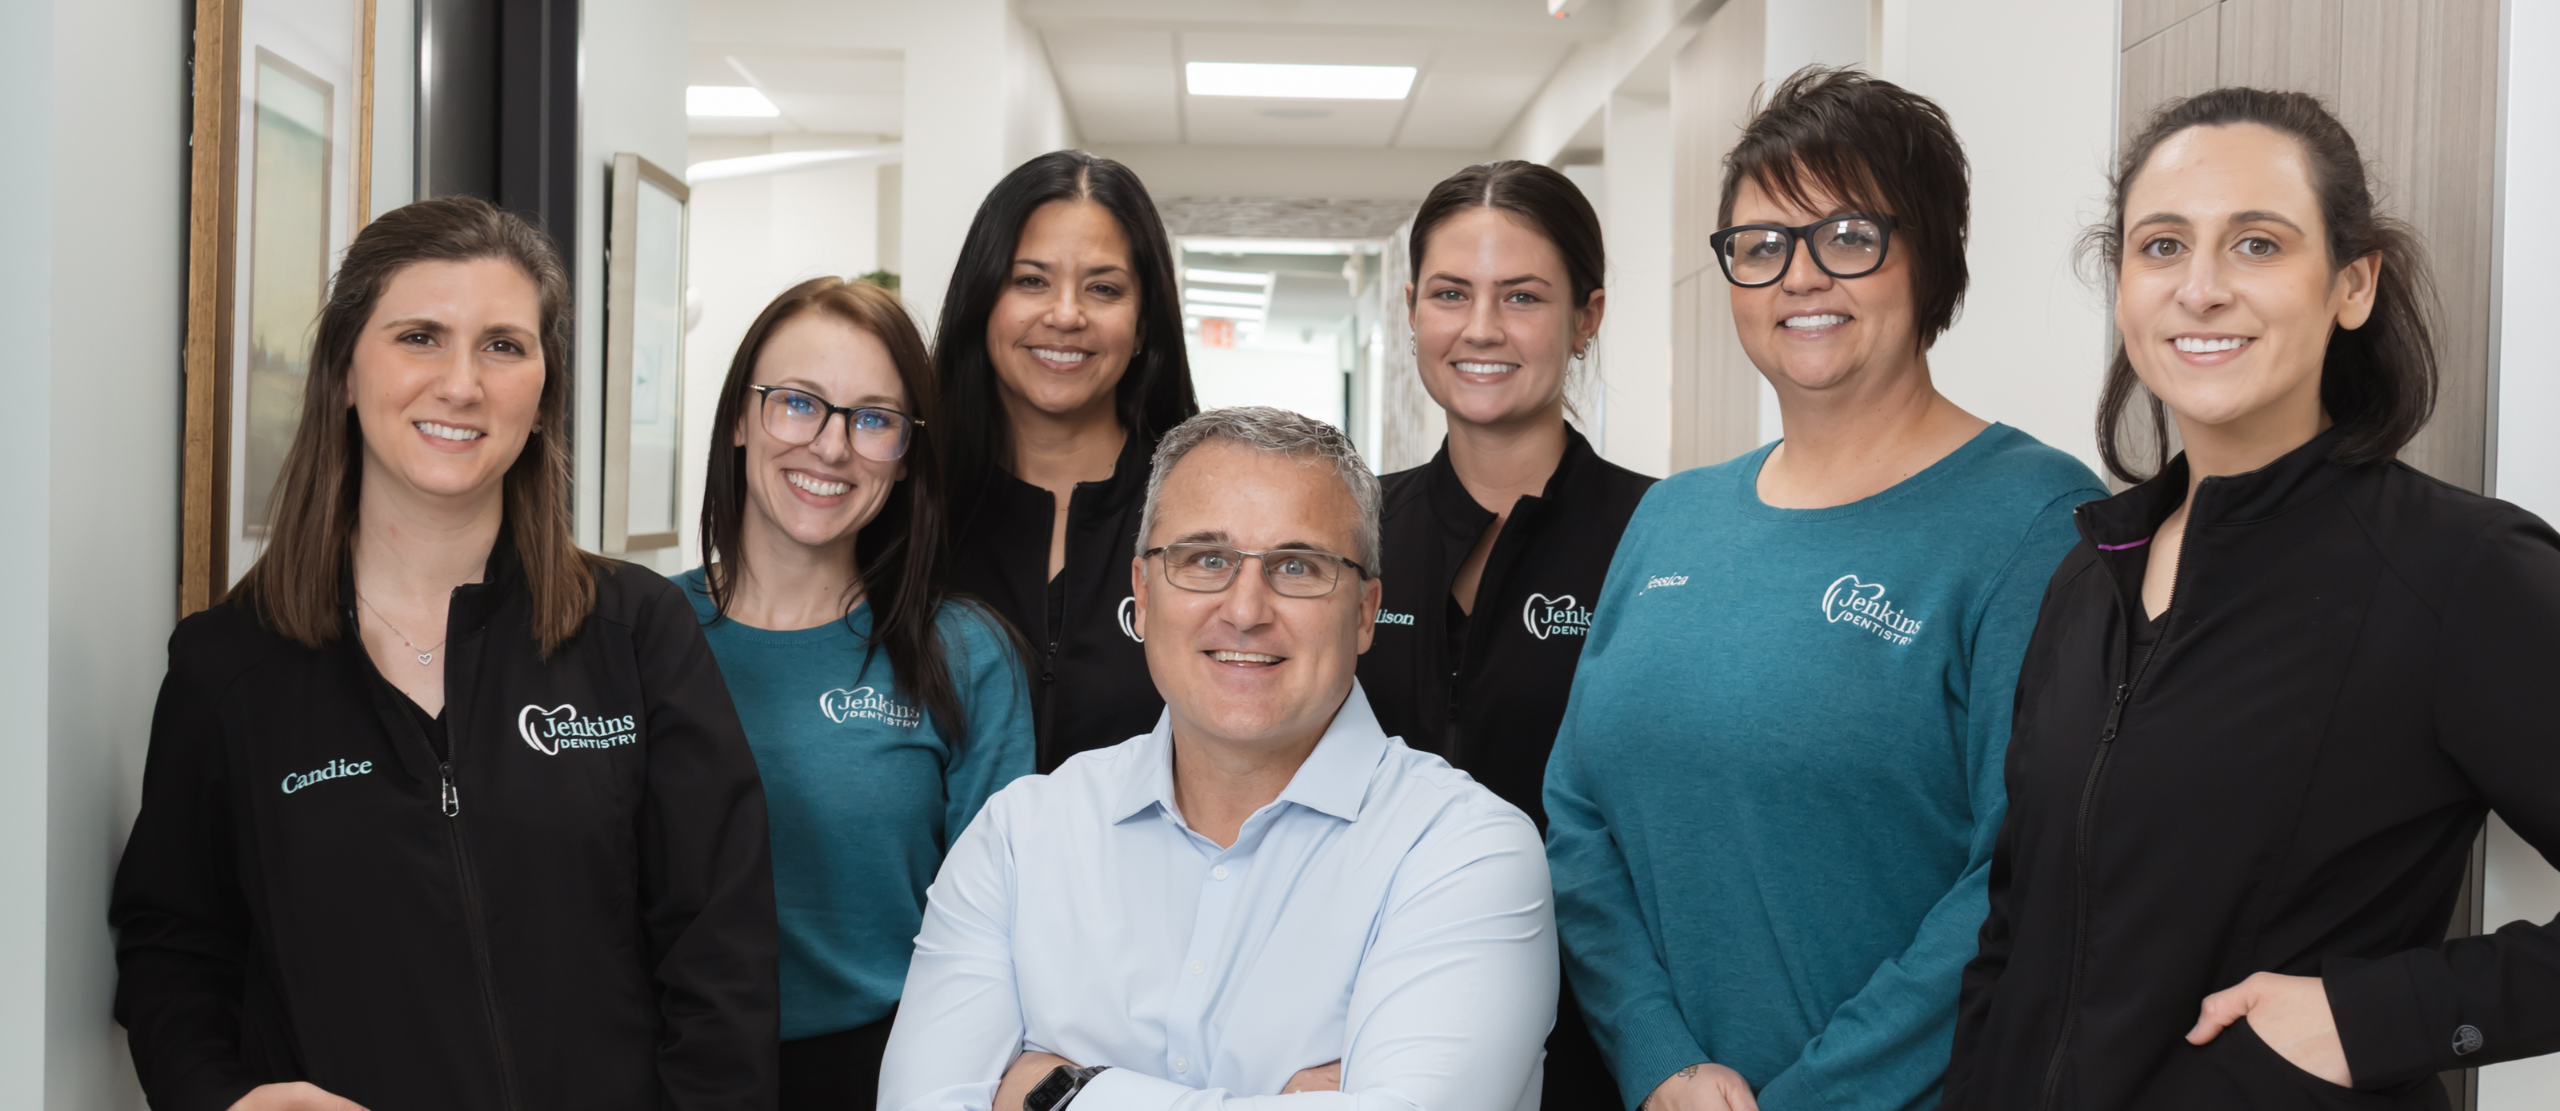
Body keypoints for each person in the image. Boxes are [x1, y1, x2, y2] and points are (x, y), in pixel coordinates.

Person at [1942, 87, 2560, 1111]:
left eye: (2258, 245)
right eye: (2161, 246)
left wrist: (2373, 1019)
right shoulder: (2086, 575)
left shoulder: (2457, 570)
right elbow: (2015, 933)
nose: (2200, 289)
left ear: (2351, 283)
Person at [110, 196, 777, 1110]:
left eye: (503, 345)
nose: (461, 383)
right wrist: (218, 1096)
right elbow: (174, 943)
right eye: (420, 336)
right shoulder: (229, 668)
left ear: (543, 394)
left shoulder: (636, 633)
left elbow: (721, 952)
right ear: (346, 371)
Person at [1542, 67, 2105, 1111]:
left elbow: (2025, 871)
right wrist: (1657, 1058)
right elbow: (1577, 811)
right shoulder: (1673, 515)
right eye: (1760, 247)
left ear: (1931, 257)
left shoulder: (2036, 522)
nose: (1799, 277)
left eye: (1848, 236)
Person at [878, 407, 1557, 1111]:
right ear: (1142, 594)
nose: (1245, 608)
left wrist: (1065, 1093)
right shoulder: (1019, 838)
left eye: (1298, 565)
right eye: (1206, 558)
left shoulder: (1464, 851)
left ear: (1365, 612)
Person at [682, 276, 1034, 1110]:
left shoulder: (965, 653)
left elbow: (1005, 936)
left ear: (907, 454)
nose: (832, 447)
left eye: (874, 419)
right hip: (669, 1067)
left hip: (889, 1074)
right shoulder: (636, 633)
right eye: (798, 403)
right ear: (740, 416)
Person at [1356, 159, 1653, 1109]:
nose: (1480, 328)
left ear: (1587, 318)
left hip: (1599, 1038)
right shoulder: (1348, 531)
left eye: (1522, 296)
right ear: (1412, 309)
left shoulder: (1663, 538)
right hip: (1368, 1021)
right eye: (1451, 293)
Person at [935, 149, 1200, 771]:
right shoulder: (908, 506)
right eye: (1031, 280)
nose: (1065, 315)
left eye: (1103, 288)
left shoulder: (1198, 512)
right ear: (984, 303)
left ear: (1142, 326)